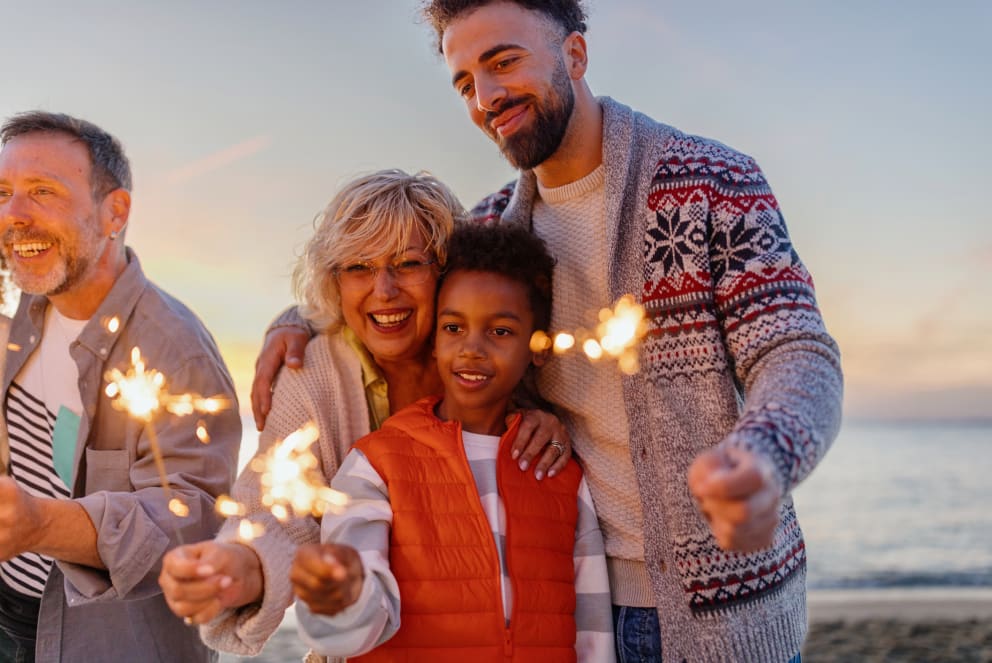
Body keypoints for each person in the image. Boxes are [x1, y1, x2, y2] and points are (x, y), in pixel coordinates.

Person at [255, 2, 844, 660]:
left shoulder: (712, 181)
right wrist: (301, 318)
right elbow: (394, 291)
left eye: (504, 61)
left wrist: (766, 455)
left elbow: (796, 350)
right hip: (567, 608)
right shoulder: (488, 233)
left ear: (575, 55)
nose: (487, 97)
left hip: (728, 614)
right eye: (466, 82)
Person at [158, 170, 571, 657]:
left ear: (445, 269)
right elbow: (276, 508)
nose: (384, 289)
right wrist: (240, 565)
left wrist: (543, 423)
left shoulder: (485, 356)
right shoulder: (312, 374)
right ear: (333, 283)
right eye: (358, 268)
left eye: (408, 263)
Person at [292, 222, 614, 661]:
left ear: (537, 347)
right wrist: (341, 598)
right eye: (453, 328)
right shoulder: (377, 464)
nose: (472, 349)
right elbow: (359, 617)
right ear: (433, 338)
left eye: (500, 331)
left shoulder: (560, 471)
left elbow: (593, 631)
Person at [0, 111, 241, 662]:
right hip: (10, 608)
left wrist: (39, 524)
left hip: (99, 641)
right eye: (4, 192)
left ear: (115, 212)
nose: (15, 214)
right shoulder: (32, 304)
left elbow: (193, 519)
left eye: (43, 191)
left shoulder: (176, 350)